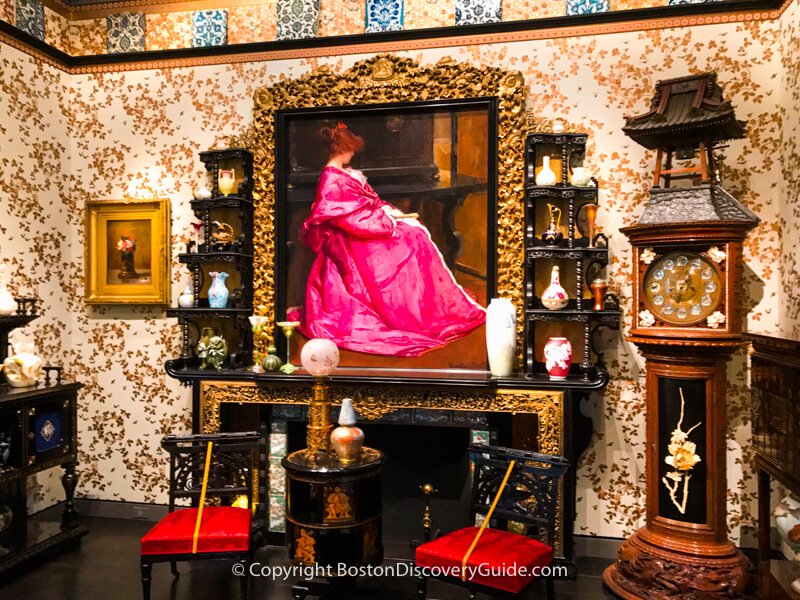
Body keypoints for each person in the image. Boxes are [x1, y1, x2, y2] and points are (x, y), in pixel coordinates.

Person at [294, 122, 485, 357]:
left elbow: (367, 202)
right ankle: (408, 314)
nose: (353, 152)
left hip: (369, 227)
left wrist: (389, 212)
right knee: (412, 241)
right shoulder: (331, 179)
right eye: (350, 148)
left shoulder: (345, 172)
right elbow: (348, 219)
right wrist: (386, 221)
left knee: (415, 233)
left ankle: (421, 306)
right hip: (352, 240)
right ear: (340, 149)